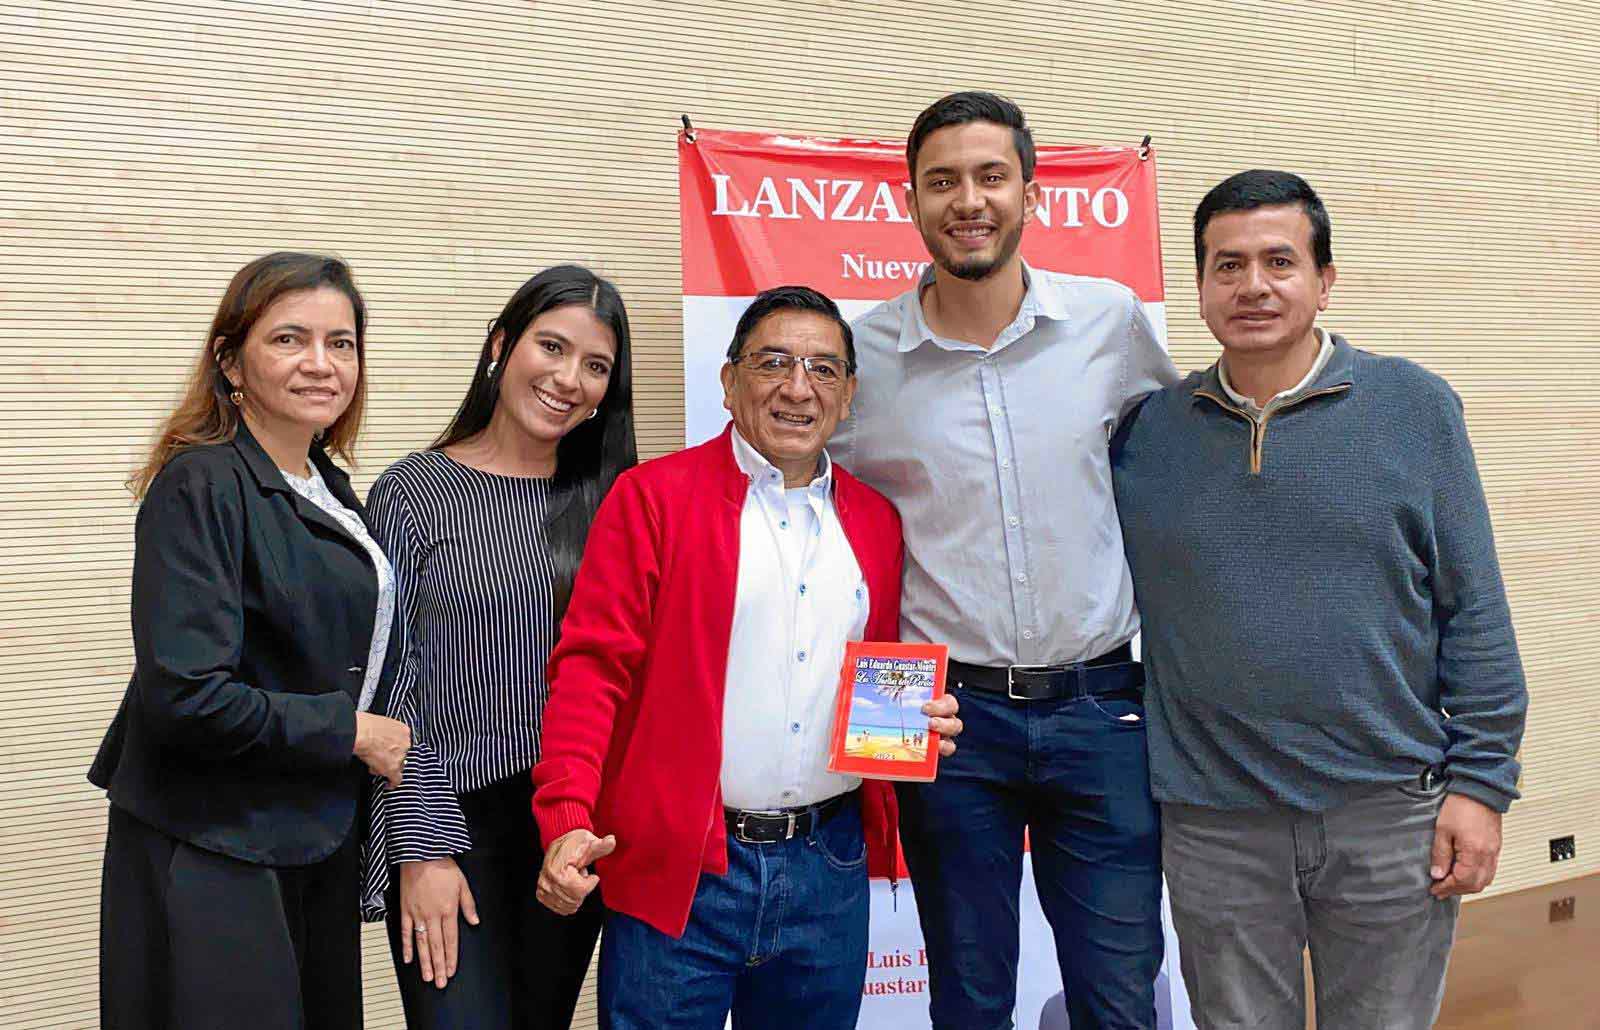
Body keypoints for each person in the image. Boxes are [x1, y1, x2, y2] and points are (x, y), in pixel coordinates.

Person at [1111, 169, 1528, 1029]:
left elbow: (1475, 611)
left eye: (1278, 261)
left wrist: (1482, 785)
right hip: (1214, 825)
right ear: (1198, 287)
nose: (1252, 286)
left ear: (1324, 280)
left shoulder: (1414, 408)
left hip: (1388, 815)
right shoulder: (1149, 434)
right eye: (1226, 266)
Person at [831, 91, 1180, 1029]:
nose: (967, 199)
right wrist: (873, 720)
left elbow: (1174, 481)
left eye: (991, 176)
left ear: (1032, 192)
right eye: (941, 181)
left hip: (1104, 705)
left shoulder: (1109, 323)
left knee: (1118, 994)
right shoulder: (859, 354)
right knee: (968, 995)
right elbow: (830, 534)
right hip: (937, 712)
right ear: (909, 201)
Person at [530, 286, 962, 1030]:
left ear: (849, 394)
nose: (799, 387)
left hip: (829, 869)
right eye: (774, 363)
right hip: (681, 867)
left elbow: (882, 673)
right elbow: (591, 670)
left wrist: (923, 719)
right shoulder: (651, 500)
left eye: (824, 370)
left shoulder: (877, 522)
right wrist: (566, 812)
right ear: (729, 383)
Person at [88, 251, 413, 1030]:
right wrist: (352, 732)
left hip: (306, 837)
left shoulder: (327, 485)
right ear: (231, 362)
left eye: (342, 344)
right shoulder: (199, 483)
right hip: (214, 843)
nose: (320, 364)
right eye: (289, 339)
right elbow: (187, 696)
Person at [358, 265, 636, 1028]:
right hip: (451, 822)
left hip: (571, 830)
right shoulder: (413, 490)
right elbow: (390, 683)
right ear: (500, 346)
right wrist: (421, 849)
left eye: (596, 366)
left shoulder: (615, 500)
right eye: (551, 346)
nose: (568, 378)